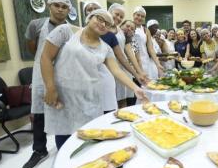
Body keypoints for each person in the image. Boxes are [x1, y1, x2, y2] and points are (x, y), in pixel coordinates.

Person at [41, 9, 148, 150]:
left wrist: (135, 88)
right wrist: (50, 87)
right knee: (65, 133)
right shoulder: (66, 31)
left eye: (108, 24)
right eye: (100, 19)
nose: (103, 24)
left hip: (90, 96)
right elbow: (46, 58)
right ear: (90, 17)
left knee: (88, 136)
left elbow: (116, 70)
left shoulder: (105, 48)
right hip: (64, 94)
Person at [21, 0, 71, 168]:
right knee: (40, 111)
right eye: (57, 5)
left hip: (64, 72)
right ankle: (39, 150)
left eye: (64, 6)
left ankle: (66, 146)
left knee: (63, 109)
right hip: (40, 72)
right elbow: (33, 47)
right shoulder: (36, 25)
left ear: (68, 10)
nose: (60, 9)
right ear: (50, 5)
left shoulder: (71, 29)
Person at [132, 6, 164, 80]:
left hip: (145, 61)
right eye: (138, 15)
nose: (140, 18)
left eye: (142, 16)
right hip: (132, 61)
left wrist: (158, 64)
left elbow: (151, 49)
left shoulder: (146, 30)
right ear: (133, 15)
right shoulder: (129, 27)